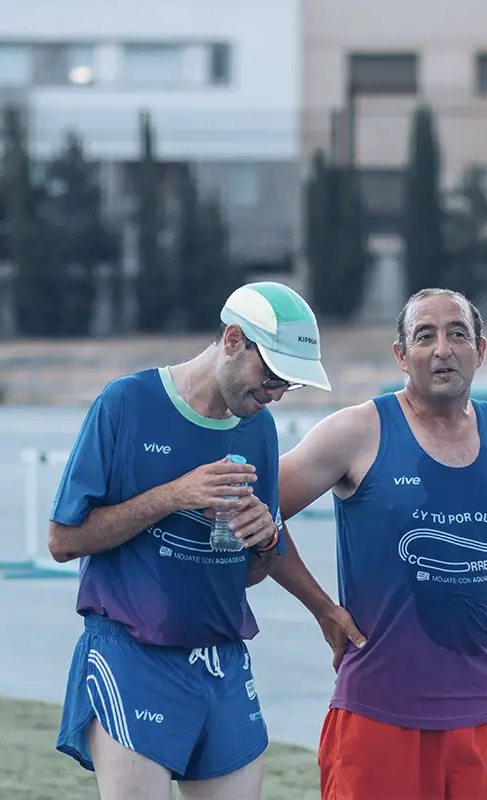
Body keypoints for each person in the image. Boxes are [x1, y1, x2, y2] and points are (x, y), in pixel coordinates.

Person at [270, 287, 487, 800]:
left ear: (479, 351)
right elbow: (259, 509)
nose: (442, 349)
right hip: (380, 711)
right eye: (425, 336)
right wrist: (322, 607)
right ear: (401, 355)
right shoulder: (356, 432)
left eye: (458, 334)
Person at [49, 281, 334, 800]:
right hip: (133, 654)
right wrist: (174, 495)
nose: (273, 395)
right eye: (271, 376)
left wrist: (265, 542)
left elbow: (247, 572)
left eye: (287, 386)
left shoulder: (258, 430)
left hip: (222, 660)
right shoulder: (126, 403)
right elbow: (63, 540)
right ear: (231, 340)